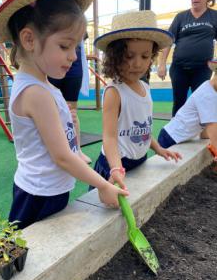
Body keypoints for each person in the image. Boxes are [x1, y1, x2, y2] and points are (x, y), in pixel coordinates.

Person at [0, 0, 129, 229]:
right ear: (29, 39)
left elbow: (60, 142)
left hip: (50, 189)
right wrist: (103, 185)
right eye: (64, 46)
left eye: (76, 47)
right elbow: (61, 156)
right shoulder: (35, 92)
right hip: (38, 195)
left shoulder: (45, 85)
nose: (73, 56)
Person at [91, 10, 182, 190]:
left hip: (139, 161)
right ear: (115, 56)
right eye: (129, 56)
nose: (138, 63)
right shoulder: (114, 92)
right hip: (115, 166)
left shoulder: (146, 89)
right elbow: (109, 137)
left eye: (145, 56)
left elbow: (144, 131)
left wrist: (159, 149)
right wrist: (116, 168)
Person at [157, 0, 217, 116]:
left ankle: (203, 132)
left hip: (202, 69)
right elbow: (168, 41)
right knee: (179, 102)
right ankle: (175, 134)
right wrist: (161, 64)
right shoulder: (181, 17)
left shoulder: (214, 16)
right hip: (179, 68)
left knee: (201, 103)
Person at [158, 59, 217, 162]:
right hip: (170, 138)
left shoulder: (210, 90)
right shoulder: (208, 95)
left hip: (173, 136)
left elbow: (206, 130)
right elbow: (212, 127)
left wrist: (206, 139)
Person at [48, 35, 92, 164]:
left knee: (71, 111)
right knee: (52, 109)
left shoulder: (78, 28)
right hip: (54, 66)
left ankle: (77, 150)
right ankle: (56, 151)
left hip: (74, 69)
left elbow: (82, 37)